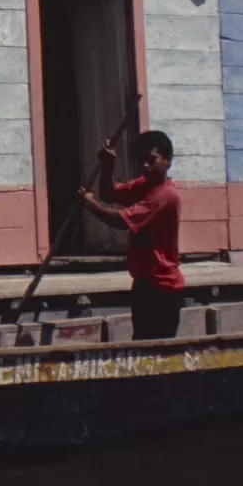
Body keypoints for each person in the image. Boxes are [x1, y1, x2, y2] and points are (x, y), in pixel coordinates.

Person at [77, 129, 185, 340]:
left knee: (156, 350)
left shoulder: (166, 195)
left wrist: (90, 204)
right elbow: (109, 194)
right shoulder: (144, 185)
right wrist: (108, 165)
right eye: (142, 160)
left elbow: (119, 221)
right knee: (142, 344)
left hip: (163, 287)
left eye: (152, 160)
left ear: (167, 161)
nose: (146, 165)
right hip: (144, 282)